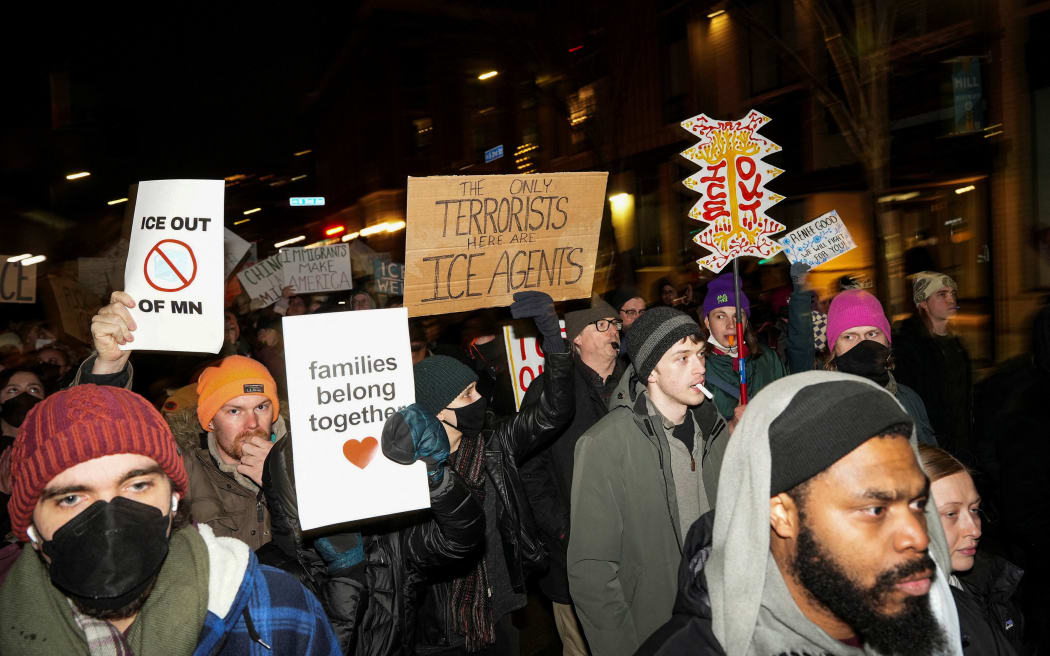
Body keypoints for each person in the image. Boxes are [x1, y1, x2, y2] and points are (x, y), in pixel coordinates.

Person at [0, 384, 340, 655]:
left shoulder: (278, 608)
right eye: (71, 498)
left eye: (137, 485)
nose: (110, 519)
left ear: (175, 497)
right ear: (30, 526)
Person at [639, 371, 962, 655]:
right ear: (781, 513)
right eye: (875, 509)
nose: (918, 537)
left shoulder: (943, 621)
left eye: (919, 504)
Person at [412, 291, 575, 655]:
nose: (479, 400)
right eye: (466, 395)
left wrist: (552, 337)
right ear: (438, 411)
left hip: (498, 611)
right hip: (439, 629)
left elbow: (553, 413)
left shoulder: (492, 444)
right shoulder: (411, 471)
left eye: (475, 389)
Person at [568, 307, 729, 656]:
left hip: (723, 627)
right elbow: (592, 573)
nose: (700, 367)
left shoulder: (716, 432)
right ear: (651, 370)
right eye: (682, 358)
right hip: (655, 634)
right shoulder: (605, 446)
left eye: (700, 355)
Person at [262, 403, 485, 654]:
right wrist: (346, 574)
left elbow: (462, 538)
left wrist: (436, 476)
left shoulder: (385, 540)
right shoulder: (268, 574)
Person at [83, 292, 283, 550]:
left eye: (262, 407)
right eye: (234, 411)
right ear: (210, 420)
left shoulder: (304, 458)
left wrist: (283, 480)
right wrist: (108, 369)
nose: (253, 423)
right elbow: (102, 454)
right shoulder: (180, 470)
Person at [520, 298, 626, 655]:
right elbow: (530, 471)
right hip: (572, 549)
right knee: (582, 645)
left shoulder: (636, 382)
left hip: (632, 544)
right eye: (602, 324)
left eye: (615, 322)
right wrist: (562, 527)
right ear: (576, 338)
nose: (614, 329)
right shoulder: (547, 391)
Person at [919, 445, 1028, 655]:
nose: (975, 529)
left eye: (974, 509)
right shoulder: (920, 624)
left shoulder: (985, 580)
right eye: (951, 513)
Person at [823, 289, 937, 445]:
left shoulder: (910, 400)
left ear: (887, 342)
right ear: (834, 348)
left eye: (872, 334)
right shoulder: (821, 411)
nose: (863, 344)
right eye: (849, 337)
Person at [893, 271, 973, 463]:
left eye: (952, 293)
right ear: (922, 302)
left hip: (961, 445)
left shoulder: (955, 343)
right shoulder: (908, 346)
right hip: (931, 448)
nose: (950, 299)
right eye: (941, 294)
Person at [700, 273, 787, 423]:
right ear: (707, 322)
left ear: (746, 321)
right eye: (720, 316)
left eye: (738, 316)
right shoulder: (699, 367)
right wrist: (732, 425)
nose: (731, 325)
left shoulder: (768, 358)